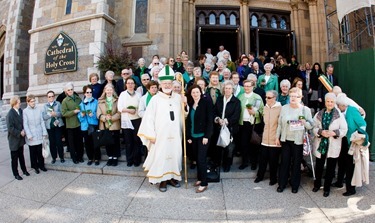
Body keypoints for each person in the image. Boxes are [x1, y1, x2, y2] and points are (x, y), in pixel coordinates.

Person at [138, 65, 183, 192]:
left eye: (169, 83)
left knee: (175, 155)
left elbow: (183, 115)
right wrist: (151, 135)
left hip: (175, 134)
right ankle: (162, 180)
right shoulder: (155, 99)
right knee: (161, 156)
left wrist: (185, 106)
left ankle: (172, 177)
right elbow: (148, 119)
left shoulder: (178, 97)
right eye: (165, 83)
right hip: (160, 135)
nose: (167, 85)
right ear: (161, 83)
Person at [276, 87, 313, 193]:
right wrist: (277, 137)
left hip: (298, 140)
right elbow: (279, 123)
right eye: (291, 96)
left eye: (295, 96)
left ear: (300, 97)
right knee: (284, 162)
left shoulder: (305, 110)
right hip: (285, 139)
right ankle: (282, 184)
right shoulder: (284, 108)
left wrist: (304, 122)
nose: (292, 98)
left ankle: (295, 185)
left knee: (296, 163)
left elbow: (311, 125)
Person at [311, 93, 347, 197]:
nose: (330, 103)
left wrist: (334, 133)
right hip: (321, 143)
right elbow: (313, 127)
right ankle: (317, 184)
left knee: (330, 167)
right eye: (328, 101)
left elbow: (344, 129)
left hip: (333, 144)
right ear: (325, 102)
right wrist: (320, 131)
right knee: (319, 165)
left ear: (334, 102)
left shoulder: (338, 115)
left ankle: (327, 188)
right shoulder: (319, 113)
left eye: (332, 101)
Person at [336, 95, 366, 196]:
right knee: (341, 162)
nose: (337, 106)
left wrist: (356, 136)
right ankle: (339, 182)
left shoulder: (352, 111)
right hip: (343, 140)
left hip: (351, 142)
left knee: (349, 165)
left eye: (338, 105)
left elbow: (362, 124)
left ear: (343, 105)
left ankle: (351, 188)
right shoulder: (342, 111)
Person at [186, 84, 213, 193]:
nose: (195, 94)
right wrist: (189, 136)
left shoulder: (206, 103)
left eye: (197, 92)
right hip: (194, 136)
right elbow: (189, 121)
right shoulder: (191, 103)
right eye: (193, 92)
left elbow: (209, 121)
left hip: (203, 136)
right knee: (196, 159)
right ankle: (200, 178)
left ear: (201, 92)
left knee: (201, 159)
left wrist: (207, 135)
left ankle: (204, 183)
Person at [213, 80, 241, 172]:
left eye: (229, 88)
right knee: (218, 147)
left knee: (229, 148)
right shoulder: (220, 99)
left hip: (230, 128)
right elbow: (215, 111)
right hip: (219, 126)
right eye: (226, 88)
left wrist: (226, 121)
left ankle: (227, 164)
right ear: (223, 89)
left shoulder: (236, 101)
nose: (228, 90)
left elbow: (236, 116)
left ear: (232, 90)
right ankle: (217, 163)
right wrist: (218, 119)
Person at [255, 90, 281, 185]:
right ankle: (259, 176)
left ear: (274, 98)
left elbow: (280, 125)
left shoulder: (280, 108)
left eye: (269, 98)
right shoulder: (264, 108)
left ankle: (273, 178)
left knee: (273, 161)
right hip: (265, 138)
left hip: (275, 139)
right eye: (266, 97)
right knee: (262, 160)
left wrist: (278, 137)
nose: (266, 99)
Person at [238, 80, 264, 170]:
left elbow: (261, 110)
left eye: (249, 86)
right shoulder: (240, 97)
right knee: (243, 144)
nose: (247, 88)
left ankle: (254, 163)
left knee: (254, 144)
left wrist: (254, 113)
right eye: (245, 86)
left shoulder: (257, 97)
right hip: (242, 123)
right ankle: (244, 162)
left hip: (253, 124)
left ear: (253, 87)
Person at [118, 77, 142, 167]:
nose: (130, 85)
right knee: (129, 141)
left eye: (132, 83)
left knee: (136, 140)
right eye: (128, 83)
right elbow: (119, 108)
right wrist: (128, 110)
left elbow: (141, 106)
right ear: (126, 84)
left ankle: (137, 160)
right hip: (127, 120)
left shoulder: (138, 94)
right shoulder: (123, 94)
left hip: (137, 119)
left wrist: (137, 110)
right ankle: (130, 159)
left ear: (134, 84)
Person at [97, 84, 121, 166]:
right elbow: (98, 114)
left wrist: (112, 118)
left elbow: (119, 112)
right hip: (105, 124)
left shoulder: (117, 100)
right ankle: (110, 157)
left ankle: (115, 157)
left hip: (115, 123)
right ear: (105, 91)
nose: (109, 91)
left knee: (115, 141)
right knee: (108, 142)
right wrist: (104, 117)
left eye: (110, 90)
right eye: (107, 90)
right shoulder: (100, 101)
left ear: (113, 91)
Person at [23, 95, 48, 173]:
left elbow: (41, 121)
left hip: (39, 132)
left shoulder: (38, 109)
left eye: (34, 101)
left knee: (40, 151)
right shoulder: (25, 111)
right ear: (28, 102)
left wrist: (44, 132)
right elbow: (25, 124)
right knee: (33, 152)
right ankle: (35, 166)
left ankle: (41, 165)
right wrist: (29, 135)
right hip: (31, 134)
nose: (33, 103)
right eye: (31, 101)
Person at [6, 96, 29, 180]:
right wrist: (20, 133)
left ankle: (24, 170)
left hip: (20, 139)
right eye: (19, 103)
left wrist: (24, 130)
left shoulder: (20, 111)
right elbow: (10, 128)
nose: (20, 104)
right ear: (14, 104)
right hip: (14, 140)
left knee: (21, 156)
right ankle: (16, 174)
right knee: (14, 158)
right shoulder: (10, 114)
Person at [61, 82, 84, 164]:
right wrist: (73, 112)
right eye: (68, 90)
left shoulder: (78, 98)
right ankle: (74, 158)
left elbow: (82, 107)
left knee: (79, 141)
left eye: (71, 89)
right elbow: (64, 113)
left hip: (79, 123)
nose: (70, 91)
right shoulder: (65, 101)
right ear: (66, 91)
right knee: (72, 143)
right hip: (70, 124)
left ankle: (80, 156)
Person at [78, 85, 100, 166]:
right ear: (84, 93)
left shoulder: (96, 102)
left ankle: (97, 158)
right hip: (85, 126)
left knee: (95, 143)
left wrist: (93, 115)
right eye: (87, 92)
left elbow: (98, 114)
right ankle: (90, 158)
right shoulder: (81, 104)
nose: (89, 93)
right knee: (87, 143)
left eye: (90, 92)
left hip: (94, 125)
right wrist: (82, 116)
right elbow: (79, 117)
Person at [42, 90, 65, 164]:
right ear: (47, 98)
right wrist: (49, 115)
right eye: (49, 97)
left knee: (59, 142)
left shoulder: (58, 104)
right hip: (50, 127)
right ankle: (54, 157)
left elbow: (62, 113)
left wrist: (55, 114)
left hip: (58, 125)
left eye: (52, 96)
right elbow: (44, 117)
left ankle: (61, 157)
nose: (51, 98)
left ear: (54, 97)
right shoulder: (45, 106)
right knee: (52, 142)